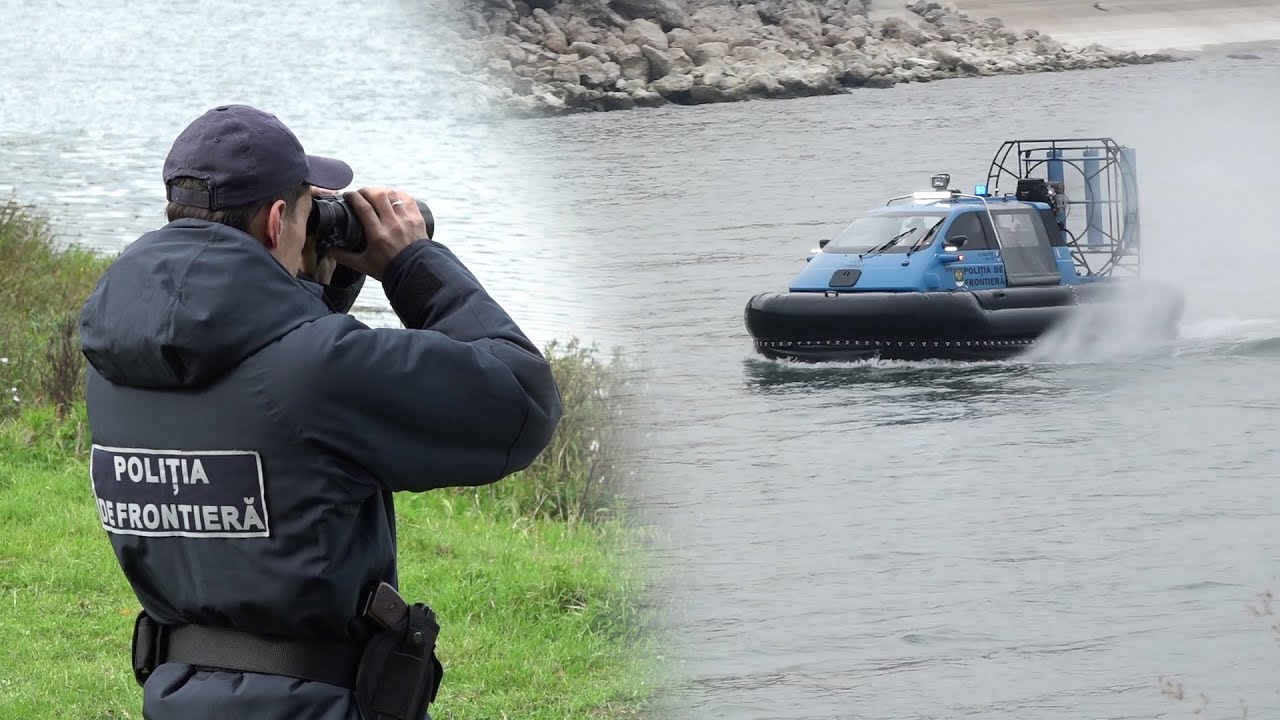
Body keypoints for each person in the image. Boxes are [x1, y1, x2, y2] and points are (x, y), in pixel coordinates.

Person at [77, 104, 564, 720]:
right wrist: (410, 264)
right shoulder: (319, 370)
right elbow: (520, 401)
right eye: (312, 212)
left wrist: (317, 285)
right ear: (279, 219)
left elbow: (272, 418)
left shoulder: (113, 364)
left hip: (178, 695)